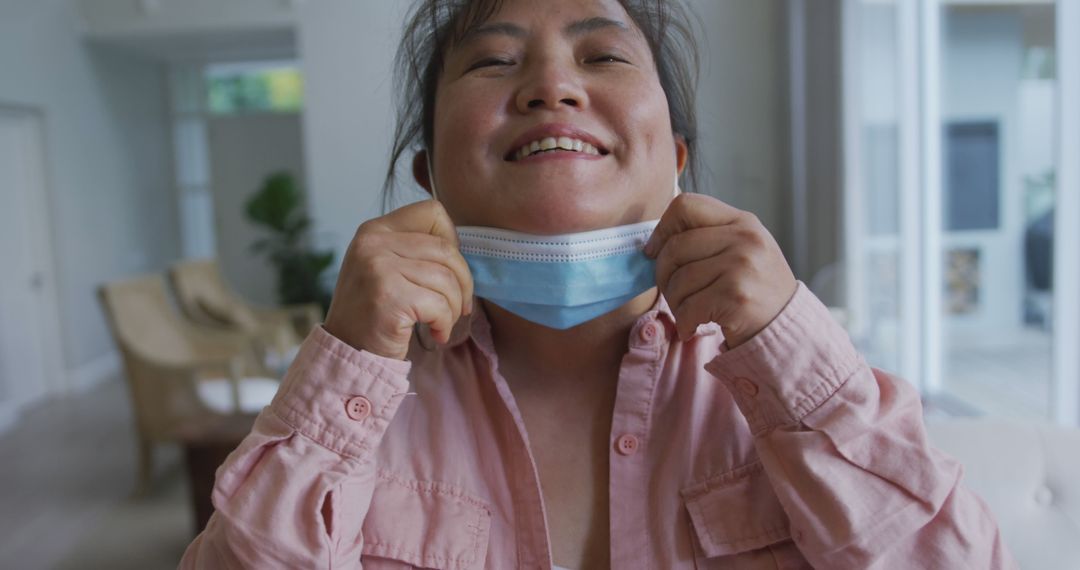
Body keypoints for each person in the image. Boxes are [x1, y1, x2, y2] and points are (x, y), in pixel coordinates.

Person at [179, 0, 1016, 568]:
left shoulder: (790, 381)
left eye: (604, 54)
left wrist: (795, 351)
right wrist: (347, 360)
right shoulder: (357, 404)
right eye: (494, 62)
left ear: (676, 156)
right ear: (431, 175)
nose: (552, 86)